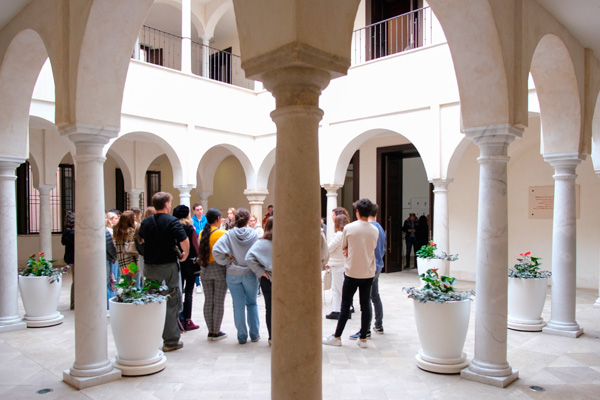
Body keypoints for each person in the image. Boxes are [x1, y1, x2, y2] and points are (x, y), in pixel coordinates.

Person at [323, 198, 379, 349]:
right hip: (368, 271)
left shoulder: (350, 228)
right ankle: (363, 339)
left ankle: (337, 336)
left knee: (345, 305)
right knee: (365, 305)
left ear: (358, 211)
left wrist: (349, 249)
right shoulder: (375, 229)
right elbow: (372, 247)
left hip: (352, 271)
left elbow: (344, 247)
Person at [138, 192, 190, 352]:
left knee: (152, 300)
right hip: (167, 266)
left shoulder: (145, 222)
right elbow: (184, 240)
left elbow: (140, 240)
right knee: (171, 302)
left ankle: (151, 338)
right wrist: (185, 254)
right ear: (167, 204)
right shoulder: (172, 221)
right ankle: (171, 340)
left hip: (150, 266)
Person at [212, 208, 259, 344]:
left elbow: (216, 251)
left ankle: (242, 336)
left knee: (237, 305)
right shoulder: (253, 234)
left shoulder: (229, 234)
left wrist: (227, 261)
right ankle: (255, 335)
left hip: (233, 273)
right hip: (250, 272)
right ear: (248, 219)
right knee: (252, 303)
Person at [349, 203, 386, 338]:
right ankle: (379, 325)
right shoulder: (380, 228)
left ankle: (367, 329)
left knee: (367, 298)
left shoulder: (371, 228)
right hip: (378, 265)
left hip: (370, 266)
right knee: (375, 296)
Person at [198, 208, 228, 341]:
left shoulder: (201, 233)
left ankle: (210, 330)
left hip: (204, 268)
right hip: (219, 268)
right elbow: (227, 252)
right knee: (219, 301)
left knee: (208, 300)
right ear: (218, 219)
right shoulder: (223, 233)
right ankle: (216, 331)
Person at [245, 216, 273, 344]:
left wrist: (261, 272)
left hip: (267, 280)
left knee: (270, 308)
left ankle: (272, 337)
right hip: (283, 280)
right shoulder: (284, 241)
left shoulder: (260, 243)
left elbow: (249, 258)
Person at [173, 205, 200, 332]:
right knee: (189, 292)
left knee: (178, 290)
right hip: (189, 262)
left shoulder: (173, 227)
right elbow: (195, 246)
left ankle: (178, 319)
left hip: (176, 262)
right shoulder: (190, 229)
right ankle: (188, 320)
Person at [325, 213, 349, 320]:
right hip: (341, 264)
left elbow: (329, 248)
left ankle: (341, 311)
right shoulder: (346, 233)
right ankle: (337, 310)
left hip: (339, 265)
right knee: (337, 289)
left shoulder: (339, 235)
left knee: (339, 289)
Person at [61, 211, 75, 310]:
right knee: (77, 282)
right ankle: (74, 303)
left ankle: (74, 302)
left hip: (72, 259)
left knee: (76, 281)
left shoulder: (68, 233)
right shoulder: (71, 234)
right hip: (74, 259)